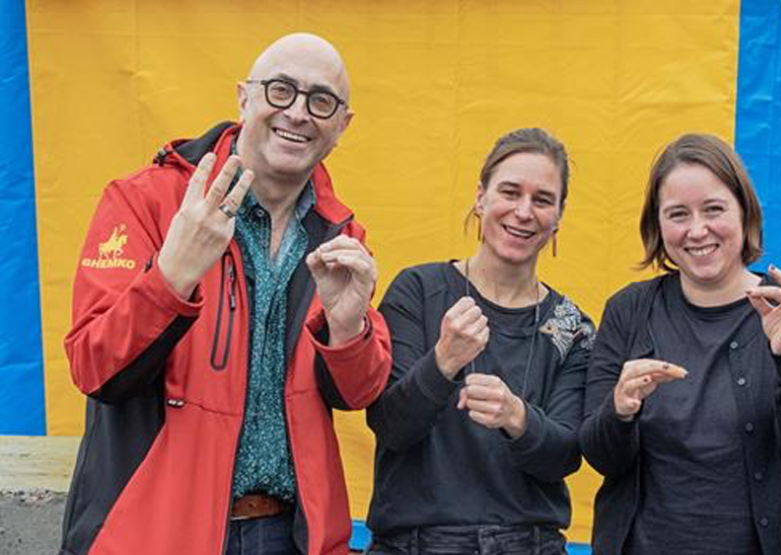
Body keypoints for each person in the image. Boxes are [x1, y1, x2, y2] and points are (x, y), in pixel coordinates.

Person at [61, 33, 391, 555]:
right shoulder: (146, 200)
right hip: (158, 533)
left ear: (342, 126)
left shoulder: (340, 234)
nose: (299, 113)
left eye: (320, 101)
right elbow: (93, 365)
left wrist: (349, 328)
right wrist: (172, 275)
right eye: (281, 90)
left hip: (291, 533)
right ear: (244, 96)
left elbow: (359, 393)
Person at [579, 134, 781, 554]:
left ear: (744, 211)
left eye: (714, 209)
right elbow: (600, 457)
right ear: (657, 224)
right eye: (678, 214)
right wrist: (620, 409)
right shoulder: (629, 311)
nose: (697, 230)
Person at [365, 128, 592, 555]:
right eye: (510, 192)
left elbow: (565, 456)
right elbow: (390, 425)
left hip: (529, 544)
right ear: (480, 196)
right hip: (414, 544)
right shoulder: (419, 289)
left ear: (560, 214)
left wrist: (517, 416)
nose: (523, 212)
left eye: (542, 199)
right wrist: (443, 363)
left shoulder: (571, 324)